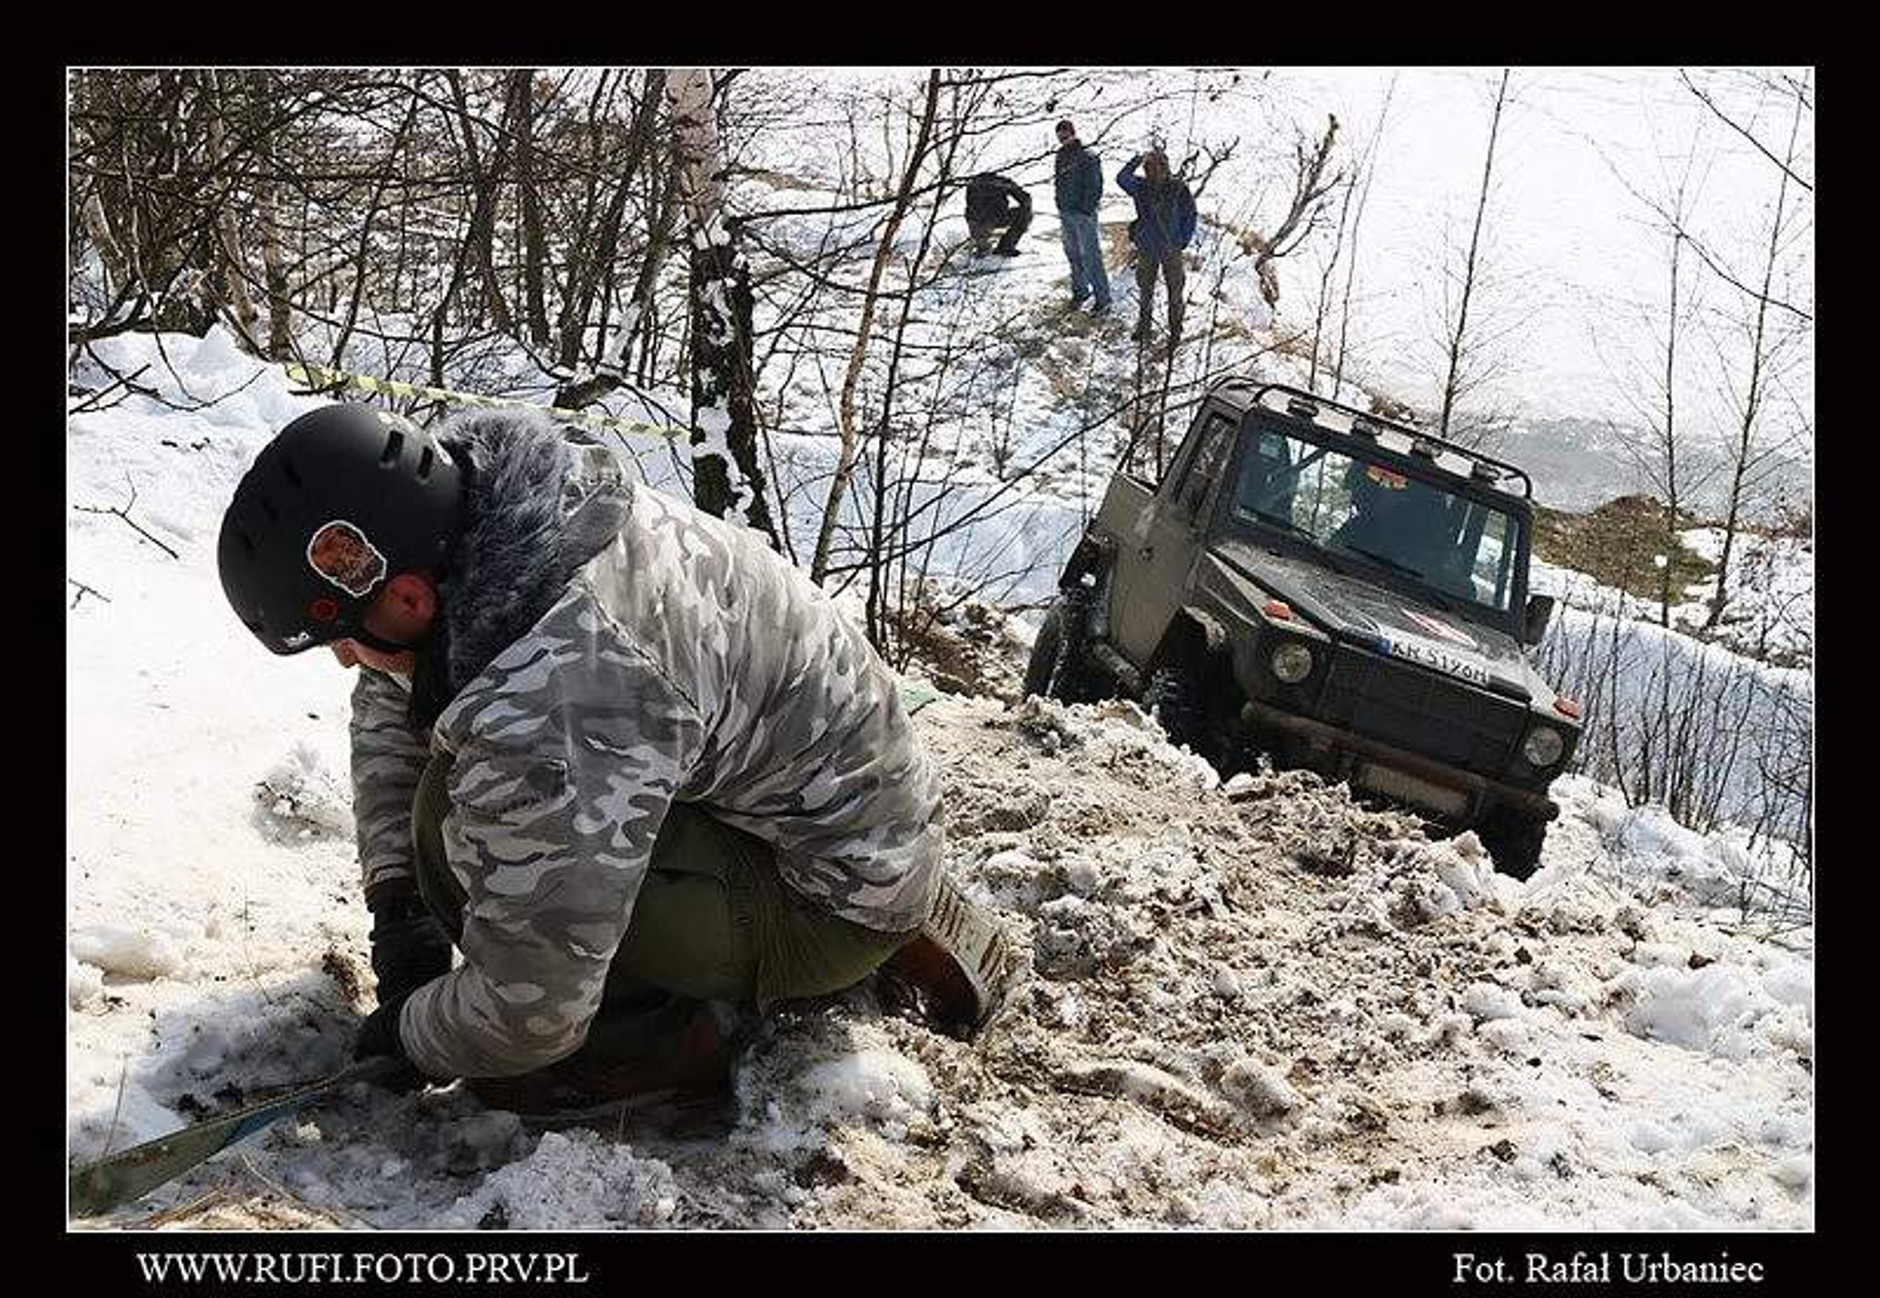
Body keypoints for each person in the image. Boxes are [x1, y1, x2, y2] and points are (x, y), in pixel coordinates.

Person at [216, 403, 956, 1118]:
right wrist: (397, 906)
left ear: (408, 598)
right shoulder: (506, 518)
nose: (346, 661)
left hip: (831, 897)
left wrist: (411, 1036)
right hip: (845, 809)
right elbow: (392, 695)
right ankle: (813, 911)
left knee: (456, 823)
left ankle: (648, 1053)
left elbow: (530, 1011)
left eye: (341, 637)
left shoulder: (554, 690)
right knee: (474, 793)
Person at [1116, 149, 1198, 346]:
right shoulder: (1140, 186)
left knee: (1175, 291)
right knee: (1146, 289)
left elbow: (1190, 215)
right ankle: (1144, 328)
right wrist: (1136, 159)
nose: (1151, 171)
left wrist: (1182, 240)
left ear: (1164, 167)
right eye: (1148, 167)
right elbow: (1121, 178)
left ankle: (1175, 330)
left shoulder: (1178, 188)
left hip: (1171, 247)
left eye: (1155, 166)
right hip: (1147, 246)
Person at [1053, 120, 1110, 313]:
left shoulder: (1087, 156)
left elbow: (1096, 186)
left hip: (1083, 214)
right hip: (1066, 212)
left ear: (1073, 132)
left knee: (1091, 256)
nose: (1062, 137)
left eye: (1065, 133)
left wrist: (1086, 210)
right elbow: (1059, 183)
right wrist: (1060, 204)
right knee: (1073, 254)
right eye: (1059, 134)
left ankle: (1103, 298)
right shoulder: (1060, 155)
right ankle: (1080, 291)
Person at [964, 172, 1032, 257]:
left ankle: (982, 246)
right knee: (1025, 213)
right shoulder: (1002, 182)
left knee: (982, 245)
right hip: (994, 219)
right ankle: (1006, 247)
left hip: (973, 221)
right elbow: (1025, 199)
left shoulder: (973, 182)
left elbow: (969, 203)